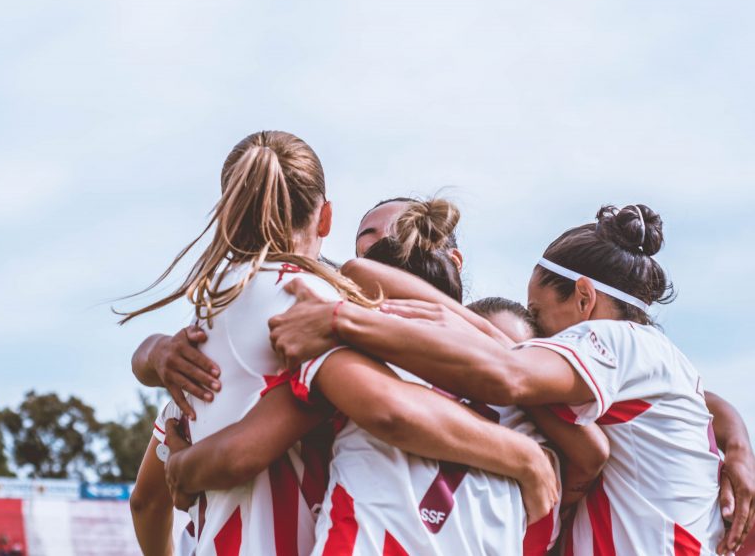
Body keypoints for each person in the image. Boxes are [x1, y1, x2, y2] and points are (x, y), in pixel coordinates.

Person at [122, 131, 556, 556]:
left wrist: (153, 359)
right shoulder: (308, 302)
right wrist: (523, 457)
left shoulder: (201, 330)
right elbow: (389, 408)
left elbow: (147, 501)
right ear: (325, 218)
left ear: (227, 214)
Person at [268, 204, 755, 554]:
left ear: (585, 301)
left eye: (539, 316)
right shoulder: (656, 363)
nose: (535, 335)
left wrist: (344, 320)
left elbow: (508, 374)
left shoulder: (619, 340)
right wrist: (738, 442)